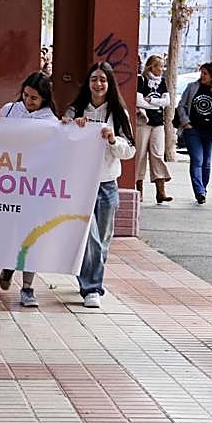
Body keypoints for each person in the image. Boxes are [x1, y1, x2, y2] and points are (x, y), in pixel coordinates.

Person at [63, 63, 136, 309]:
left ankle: (90, 276)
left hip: (107, 184)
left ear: (110, 83)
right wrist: (71, 127)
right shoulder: (75, 110)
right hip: (82, 185)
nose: (98, 84)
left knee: (103, 241)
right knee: (90, 236)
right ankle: (91, 288)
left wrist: (113, 139)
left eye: (103, 80)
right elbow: (62, 139)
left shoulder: (118, 112)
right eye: (94, 79)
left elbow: (129, 150)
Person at [0, 72, 58, 308]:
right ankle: (9, 265)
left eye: (34, 98)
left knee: (32, 235)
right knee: (10, 232)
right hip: (9, 183)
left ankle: (28, 286)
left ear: (44, 99)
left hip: (34, 187)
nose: (28, 101)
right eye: (26, 95)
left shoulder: (50, 121)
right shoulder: (10, 110)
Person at [175, 60, 212, 204]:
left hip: (210, 131)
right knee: (197, 160)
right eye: (201, 73)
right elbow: (181, 106)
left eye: (205, 73)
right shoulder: (192, 87)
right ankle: (199, 192)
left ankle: (203, 189)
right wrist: (186, 122)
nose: (202, 76)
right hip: (193, 130)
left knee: (207, 162)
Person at [135, 55, 173, 205]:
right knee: (140, 155)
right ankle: (138, 190)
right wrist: (157, 104)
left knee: (158, 154)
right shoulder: (141, 80)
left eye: (163, 67)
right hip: (143, 123)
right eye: (159, 66)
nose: (161, 70)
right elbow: (138, 101)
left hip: (158, 123)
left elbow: (167, 101)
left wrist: (151, 101)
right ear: (151, 66)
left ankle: (160, 191)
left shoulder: (162, 82)